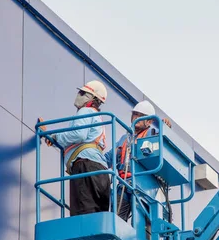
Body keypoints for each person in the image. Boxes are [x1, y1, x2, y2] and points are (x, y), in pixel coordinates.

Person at [41, 80, 110, 216]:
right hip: (101, 173)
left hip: (85, 167)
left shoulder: (86, 111)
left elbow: (79, 134)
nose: (78, 95)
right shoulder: (97, 117)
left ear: (91, 98)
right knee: (98, 220)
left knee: (83, 217)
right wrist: (53, 138)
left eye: (82, 92)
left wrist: (54, 137)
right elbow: (79, 139)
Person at [104, 100, 171, 221]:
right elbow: (108, 159)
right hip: (124, 184)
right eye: (135, 114)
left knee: (146, 223)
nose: (136, 118)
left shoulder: (152, 134)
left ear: (149, 121)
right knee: (117, 220)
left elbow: (163, 148)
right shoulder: (124, 139)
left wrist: (165, 129)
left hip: (144, 185)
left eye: (141, 116)